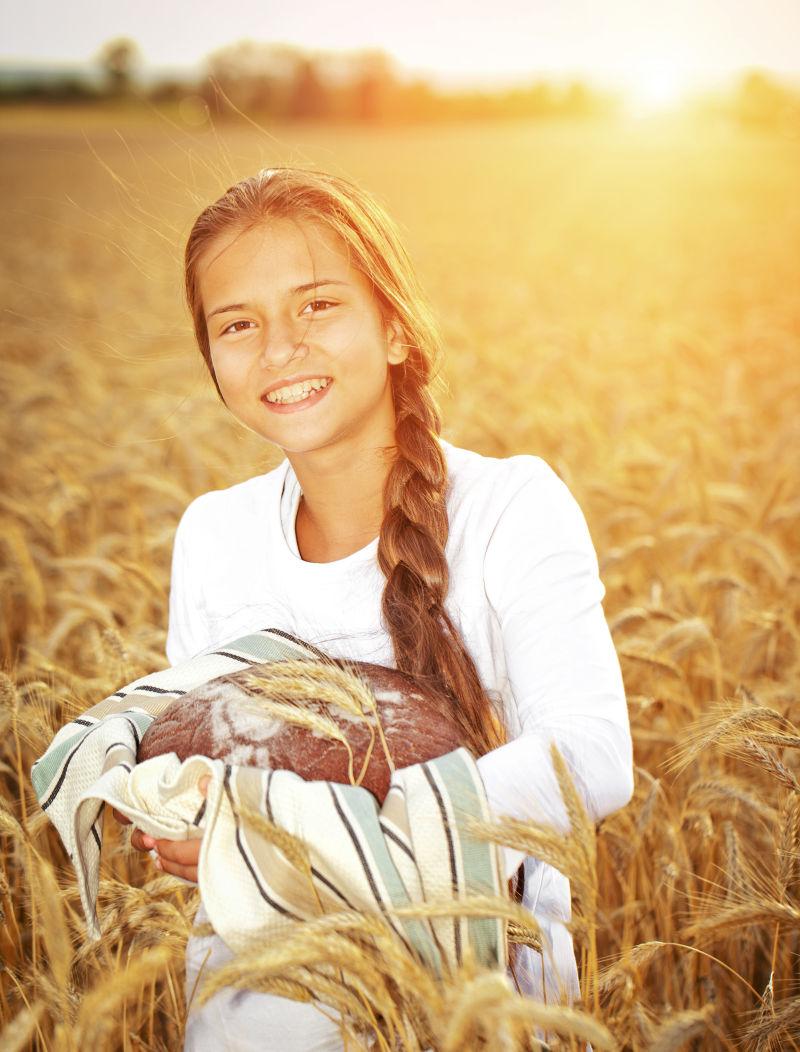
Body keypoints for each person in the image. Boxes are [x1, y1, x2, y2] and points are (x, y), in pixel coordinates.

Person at [120, 166, 634, 1051]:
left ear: (395, 327)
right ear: (211, 360)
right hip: (260, 1016)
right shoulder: (215, 534)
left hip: (479, 1008)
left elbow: (590, 758)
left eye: (317, 305)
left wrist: (302, 830)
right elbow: (201, 751)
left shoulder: (510, 508)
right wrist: (180, 818)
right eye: (237, 324)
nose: (278, 348)